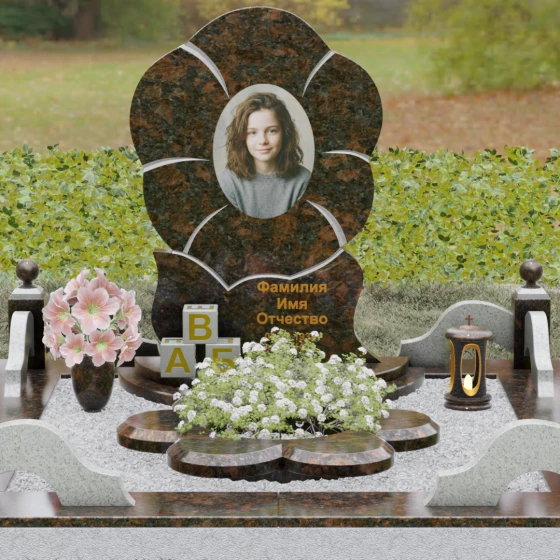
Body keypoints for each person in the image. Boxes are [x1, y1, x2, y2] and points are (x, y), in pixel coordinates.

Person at [219, 92, 311, 219]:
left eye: (272, 131)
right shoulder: (229, 181)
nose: (262, 141)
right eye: (252, 132)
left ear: (285, 133)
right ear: (242, 137)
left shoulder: (303, 180)